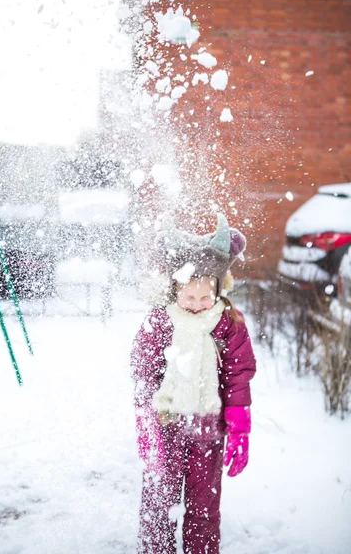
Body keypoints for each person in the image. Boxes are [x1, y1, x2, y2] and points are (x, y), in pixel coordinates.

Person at [130, 213, 257, 554]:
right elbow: (143, 373)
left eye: (206, 298)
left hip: (209, 429)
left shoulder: (228, 323)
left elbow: (238, 376)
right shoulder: (159, 322)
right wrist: (146, 424)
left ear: (219, 288)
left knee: (204, 507)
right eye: (189, 298)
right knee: (159, 502)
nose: (198, 306)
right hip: (166, 424)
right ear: (174, 290)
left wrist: (239, 428)